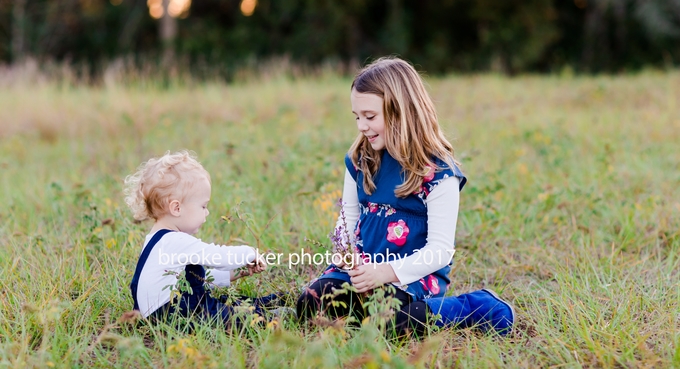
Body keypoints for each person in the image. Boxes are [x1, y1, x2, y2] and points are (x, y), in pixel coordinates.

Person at [296, 57, 514, 336]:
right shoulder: (360, 160)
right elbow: (347, 219)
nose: (362, 126)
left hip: (409, 278)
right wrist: (344, 256)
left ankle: (472, 307)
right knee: (311, 304)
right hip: (362, 272)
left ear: (400, 112)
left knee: (387, 325)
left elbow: (440, 251)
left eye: (370, 117)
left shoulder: (439, 173)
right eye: (357, 117)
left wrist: (385, 273)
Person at [125, 150, 273, 327]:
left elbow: (197, 279)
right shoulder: (174, 241)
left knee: (220, 303)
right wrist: (249, 253)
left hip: (161, 314)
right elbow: (217, 256)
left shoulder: (157, 239)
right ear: (177, 208)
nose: (207, 212)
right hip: (173, 315)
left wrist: (236, 272)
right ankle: (269, 319)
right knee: (225, 315)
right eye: (203, 206)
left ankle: (266, 306)